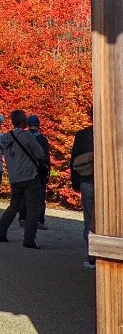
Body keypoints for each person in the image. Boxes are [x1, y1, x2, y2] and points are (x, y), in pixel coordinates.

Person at [0, 110, 48, 248]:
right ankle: (29, 239)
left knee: (14, 205)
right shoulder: (27, 136)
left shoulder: (5, 138)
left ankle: (0, 231)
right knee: (33, 209)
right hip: (29, 175)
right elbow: (40, 153)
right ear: (24, 121)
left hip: (15, 176)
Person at [19, 114, 51, 229]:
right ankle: (39, 220)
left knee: (24, 195)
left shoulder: (22, 137)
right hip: (38, 171)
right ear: (38, 125)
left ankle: (23, 217)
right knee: (40, 196)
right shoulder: (42, 139)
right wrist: (47, 172)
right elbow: (45, 157)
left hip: (24, 170)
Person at [71, 109, 95, 269]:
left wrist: (75, 183)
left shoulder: (82, 135)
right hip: (107, 183)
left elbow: (73, 161)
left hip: (87, 180)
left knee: (89, 219)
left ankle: (91, 256)